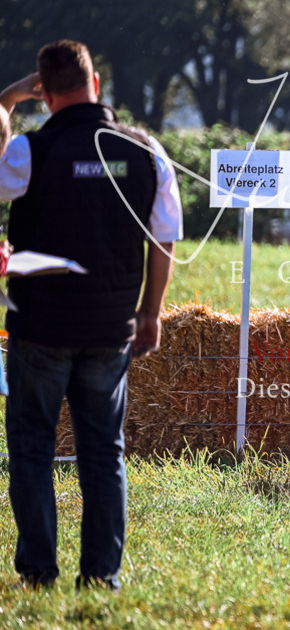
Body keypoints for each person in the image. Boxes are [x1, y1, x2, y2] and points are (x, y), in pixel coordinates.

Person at [0, 39, 183, 590]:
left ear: (45, 94)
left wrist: (5, 102)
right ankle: (101, 576)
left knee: (31, 448)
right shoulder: (146, 151)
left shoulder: (29, 151)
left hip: (40, 327)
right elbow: (164, 239)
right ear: (96, 84)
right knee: (104, 451)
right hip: (110, 327)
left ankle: (38, 573)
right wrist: (150, 313)